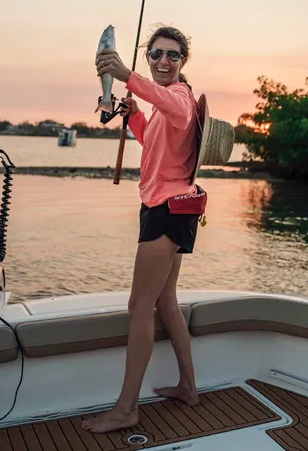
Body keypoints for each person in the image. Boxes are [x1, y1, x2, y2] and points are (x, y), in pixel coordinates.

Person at [82, 26, 202, 433]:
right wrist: (131, 111)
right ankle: (188, 387)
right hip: (170, 207)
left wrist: (126, 74)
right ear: (149, 57)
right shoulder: (160, 107)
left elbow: (177, 109)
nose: (163, 62)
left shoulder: (181, 98)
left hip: (166, 211)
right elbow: (149, 139)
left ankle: (127, 408)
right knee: (166, 301)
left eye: (172, 55)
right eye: (156, 55)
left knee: (139, 308)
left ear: (183, 61)